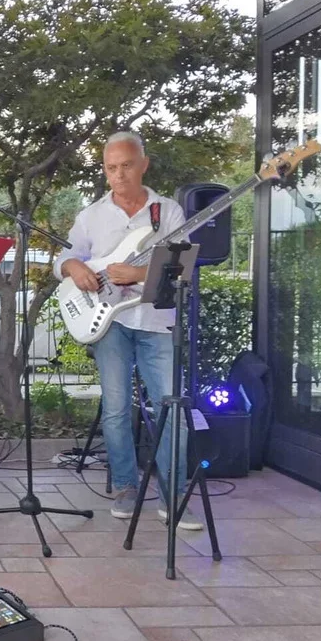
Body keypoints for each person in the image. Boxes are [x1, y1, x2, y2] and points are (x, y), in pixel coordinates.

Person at [53, 131, 203, 530]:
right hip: (111, 321)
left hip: (156, 320)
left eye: (126, 166)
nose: (118, 175)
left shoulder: (167, 211)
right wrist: (74, 267)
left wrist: (136, 274)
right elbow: (64, 257)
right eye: (111, 168)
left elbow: (183, 267)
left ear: (144, 165)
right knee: (116, 409)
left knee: (172, 409)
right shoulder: (92, 215)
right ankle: (125, 486)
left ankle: (173, 497)